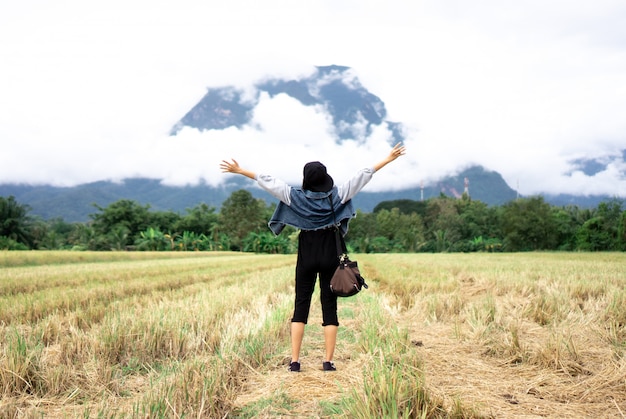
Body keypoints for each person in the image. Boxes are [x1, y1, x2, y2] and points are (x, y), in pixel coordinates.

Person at [220, 143, 406, 372]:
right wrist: (388, 158)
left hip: (306, 253)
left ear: (306, 180)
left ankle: (295, 362)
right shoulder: (338, 195)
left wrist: (240, 171)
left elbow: (267, 180)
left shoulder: (294, 197)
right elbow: (363, 176)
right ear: (326, 178)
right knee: (330, 307)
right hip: (330, 253)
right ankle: (328, 362)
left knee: (301, 305)